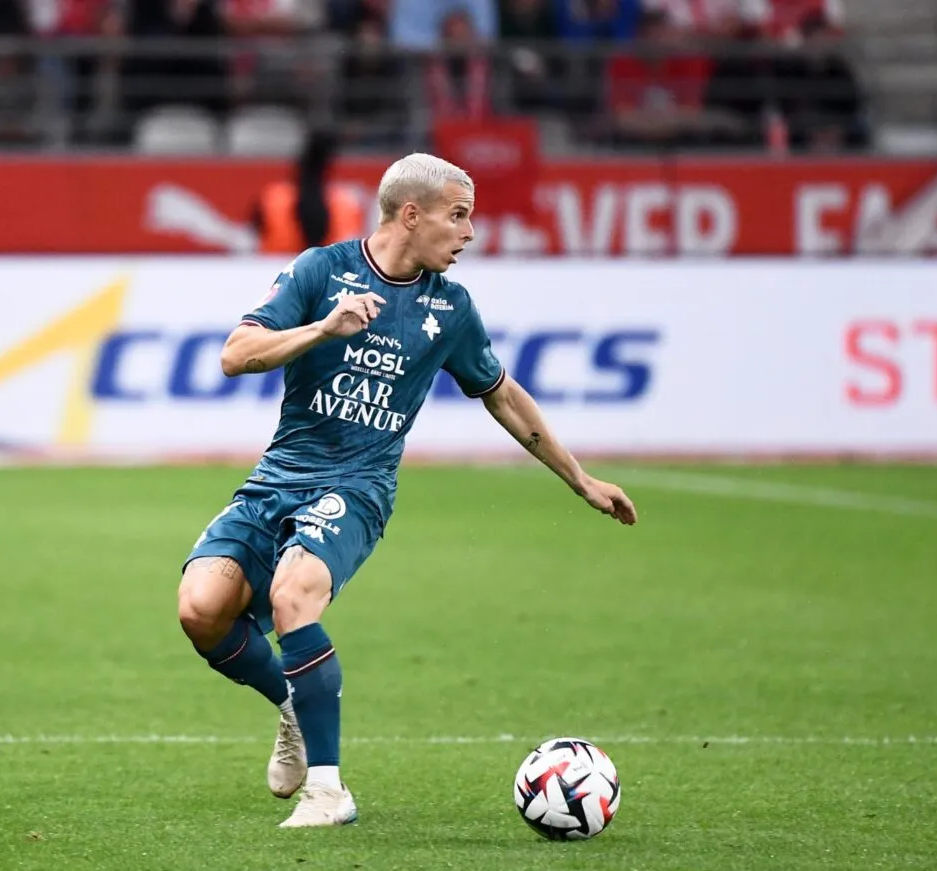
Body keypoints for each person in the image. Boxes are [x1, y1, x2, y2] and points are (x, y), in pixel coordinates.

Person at [176, 152, 638, 829]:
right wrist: (324, 329)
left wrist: (581, 478)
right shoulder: (318, 271)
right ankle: (293, 704)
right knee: (200, 610)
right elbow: (235, 354)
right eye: (458, 216)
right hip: (279, 476)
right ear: (410, 214)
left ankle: (328, 792)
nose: (469, 234)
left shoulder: (449, 308)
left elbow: (501, 393)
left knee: (293, 594)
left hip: (357, 486)